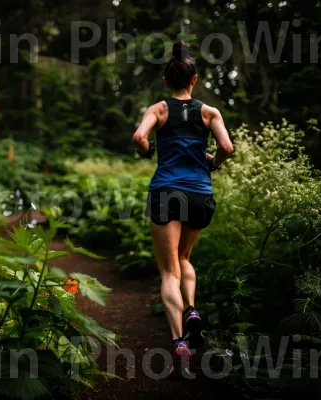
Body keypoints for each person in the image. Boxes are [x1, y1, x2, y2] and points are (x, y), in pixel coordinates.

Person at [132, 41, 234, 377]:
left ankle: (179, 342)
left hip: (166, 192)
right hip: (200, 195)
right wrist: (212, 163)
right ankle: (191, 308)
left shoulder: (159, 109)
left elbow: (138, 137)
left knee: (168, 272)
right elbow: (226, 146)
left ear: (166, 80)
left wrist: (147, 150)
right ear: (194, 80)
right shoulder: (210, 112)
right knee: (185, 259)